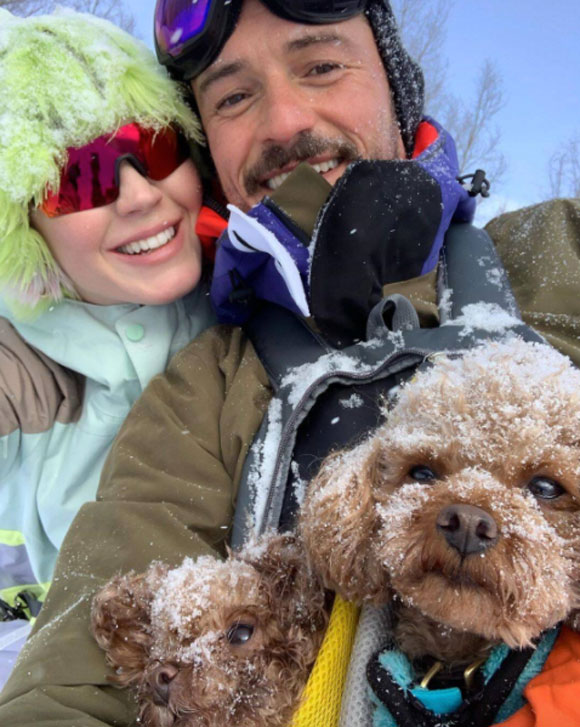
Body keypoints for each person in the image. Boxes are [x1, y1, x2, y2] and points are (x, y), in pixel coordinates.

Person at [2, 1, 580, 724]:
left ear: (397, 87)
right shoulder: (203, 389)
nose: (282, 122)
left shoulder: (562, 250)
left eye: (321, 66)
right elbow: (77, 681)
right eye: (234, 97)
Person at [0, 7, 226, 685]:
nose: (138, 195)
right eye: (84, 178)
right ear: (24, 223)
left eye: (155, 147)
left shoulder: (255, 297)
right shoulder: (18, 371)